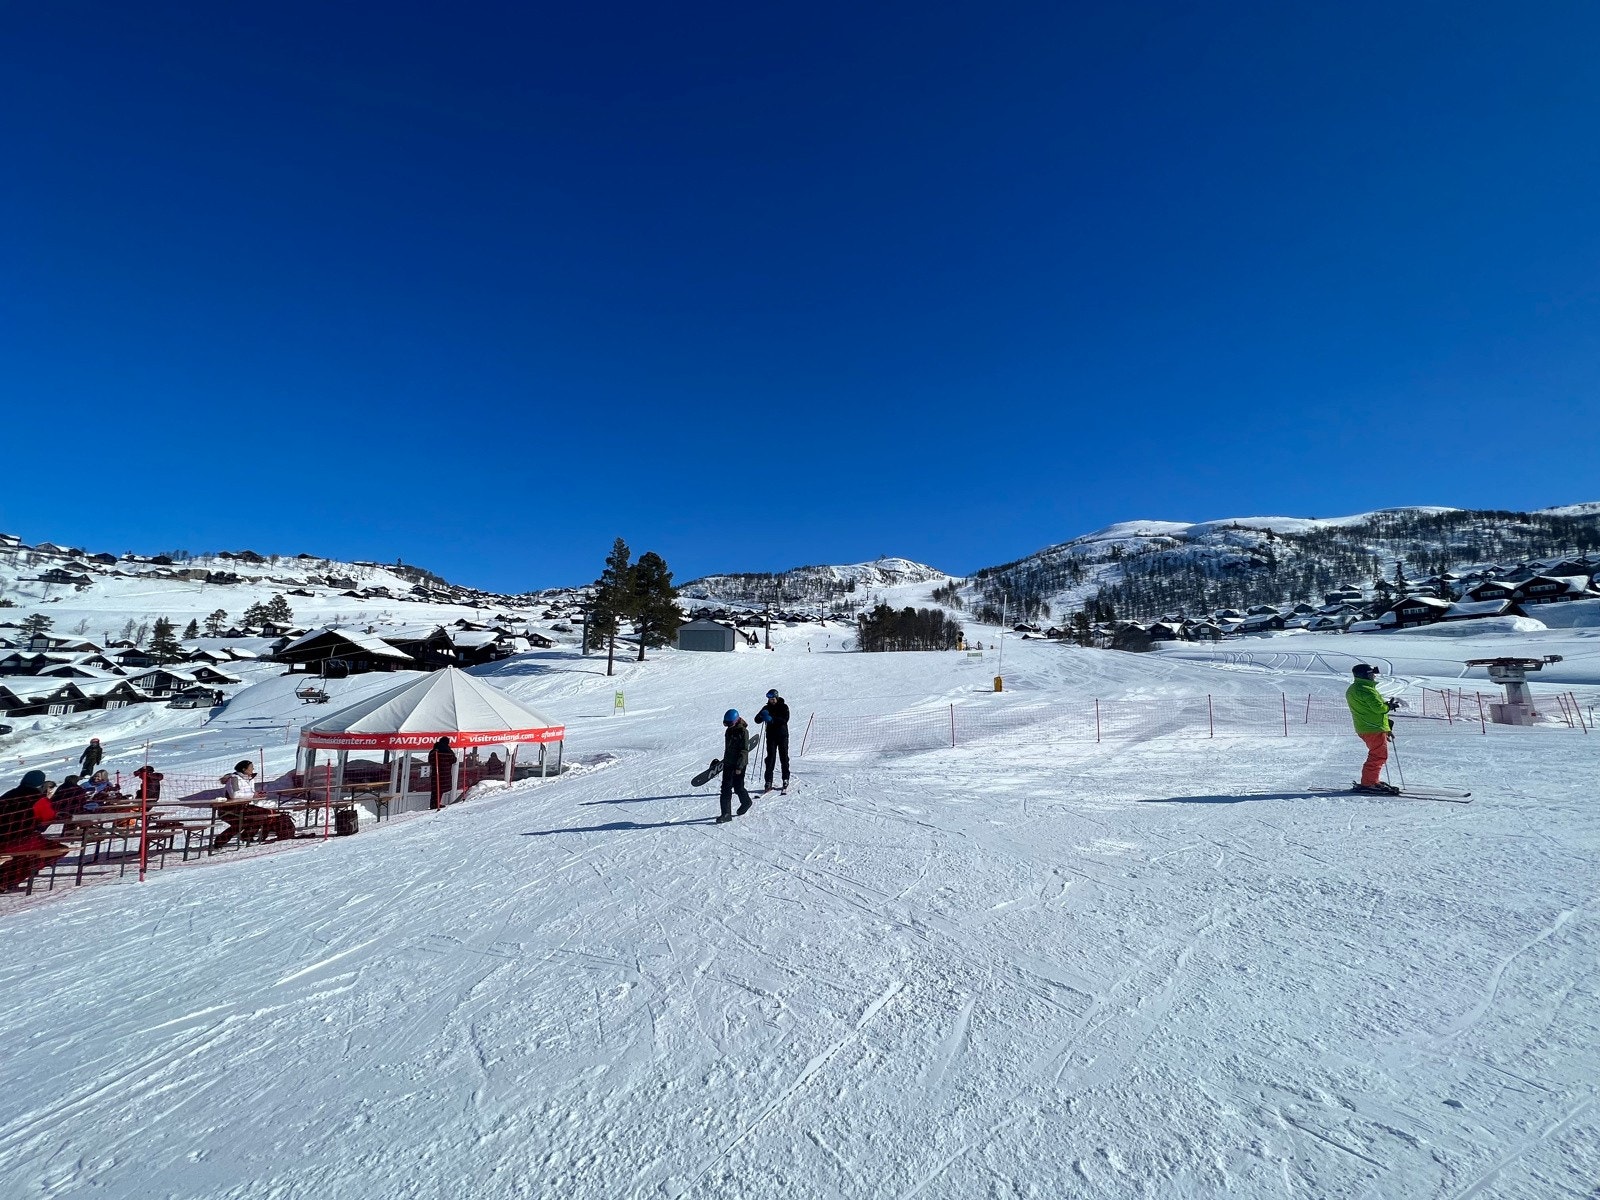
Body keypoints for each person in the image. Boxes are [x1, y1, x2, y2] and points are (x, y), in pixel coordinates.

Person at [0, 770, 67, 891]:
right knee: (57, 849)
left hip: (2, 840)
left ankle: (6, 877)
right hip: (21, 840)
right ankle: (8, 880)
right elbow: (47, 816)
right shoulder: (38, 799)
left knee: (21, 855)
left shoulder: (7, 795)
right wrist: (57, 814)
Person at [213, 760, 294, 849]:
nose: (253, 769)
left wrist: (258, 795)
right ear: (244, 769)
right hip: (230, 809)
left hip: (244, 807)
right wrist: (253, 795)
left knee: (261, 816)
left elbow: (250, 795)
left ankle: (245, 837)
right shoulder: (234, 779)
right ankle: (224, 841)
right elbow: (235, 795)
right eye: (251, 767)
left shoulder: (249, 779)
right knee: (247, 821)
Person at [1346, 664, 1399, 795]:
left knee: (1377, 754)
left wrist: (1386, 725)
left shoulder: (1354, 688)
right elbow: (1378, 708)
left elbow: (1370, 709)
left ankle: (1372, 780)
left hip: (1367, 726)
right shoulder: (1366, 689)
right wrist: (1388, 707)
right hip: (1373, 727)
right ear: (1366, 675)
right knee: (1378, 755)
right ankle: (1369, 783)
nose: (1374, 676)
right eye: (1372, 673)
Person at [715, 709, 752, 824]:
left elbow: (744, 750)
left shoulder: (743, 732)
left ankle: (746, 802)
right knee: (725, 788)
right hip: (728, 764)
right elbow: (729, 749)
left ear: (736, 721)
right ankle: (726, 814)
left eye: (729, 723)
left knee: (738, 787)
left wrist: (739, 767)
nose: (727, 726)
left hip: (739, 765)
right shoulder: (729, 731)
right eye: (725, 724)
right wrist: (721, 762)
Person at [753, 689, 791, 792]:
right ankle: (768, 781)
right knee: (770, 759)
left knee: (784, 758)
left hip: (782, 736)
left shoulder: (783, 707)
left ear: (777, 698)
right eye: (770, 699)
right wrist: (761, 716)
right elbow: (756, 720)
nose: (771, 701)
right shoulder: (766, 708)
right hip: (771, 736)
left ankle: (785, 778)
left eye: (773, 699)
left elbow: (785, 719)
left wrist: (772, 719)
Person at [426, 737, 457, 810]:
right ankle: (436, 804)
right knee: (440, 790)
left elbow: (430, 761)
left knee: (435, 790)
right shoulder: (448, 751)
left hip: (436, 773)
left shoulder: (434, 751)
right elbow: (454, 760)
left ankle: (434, 804)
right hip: (445, 774)